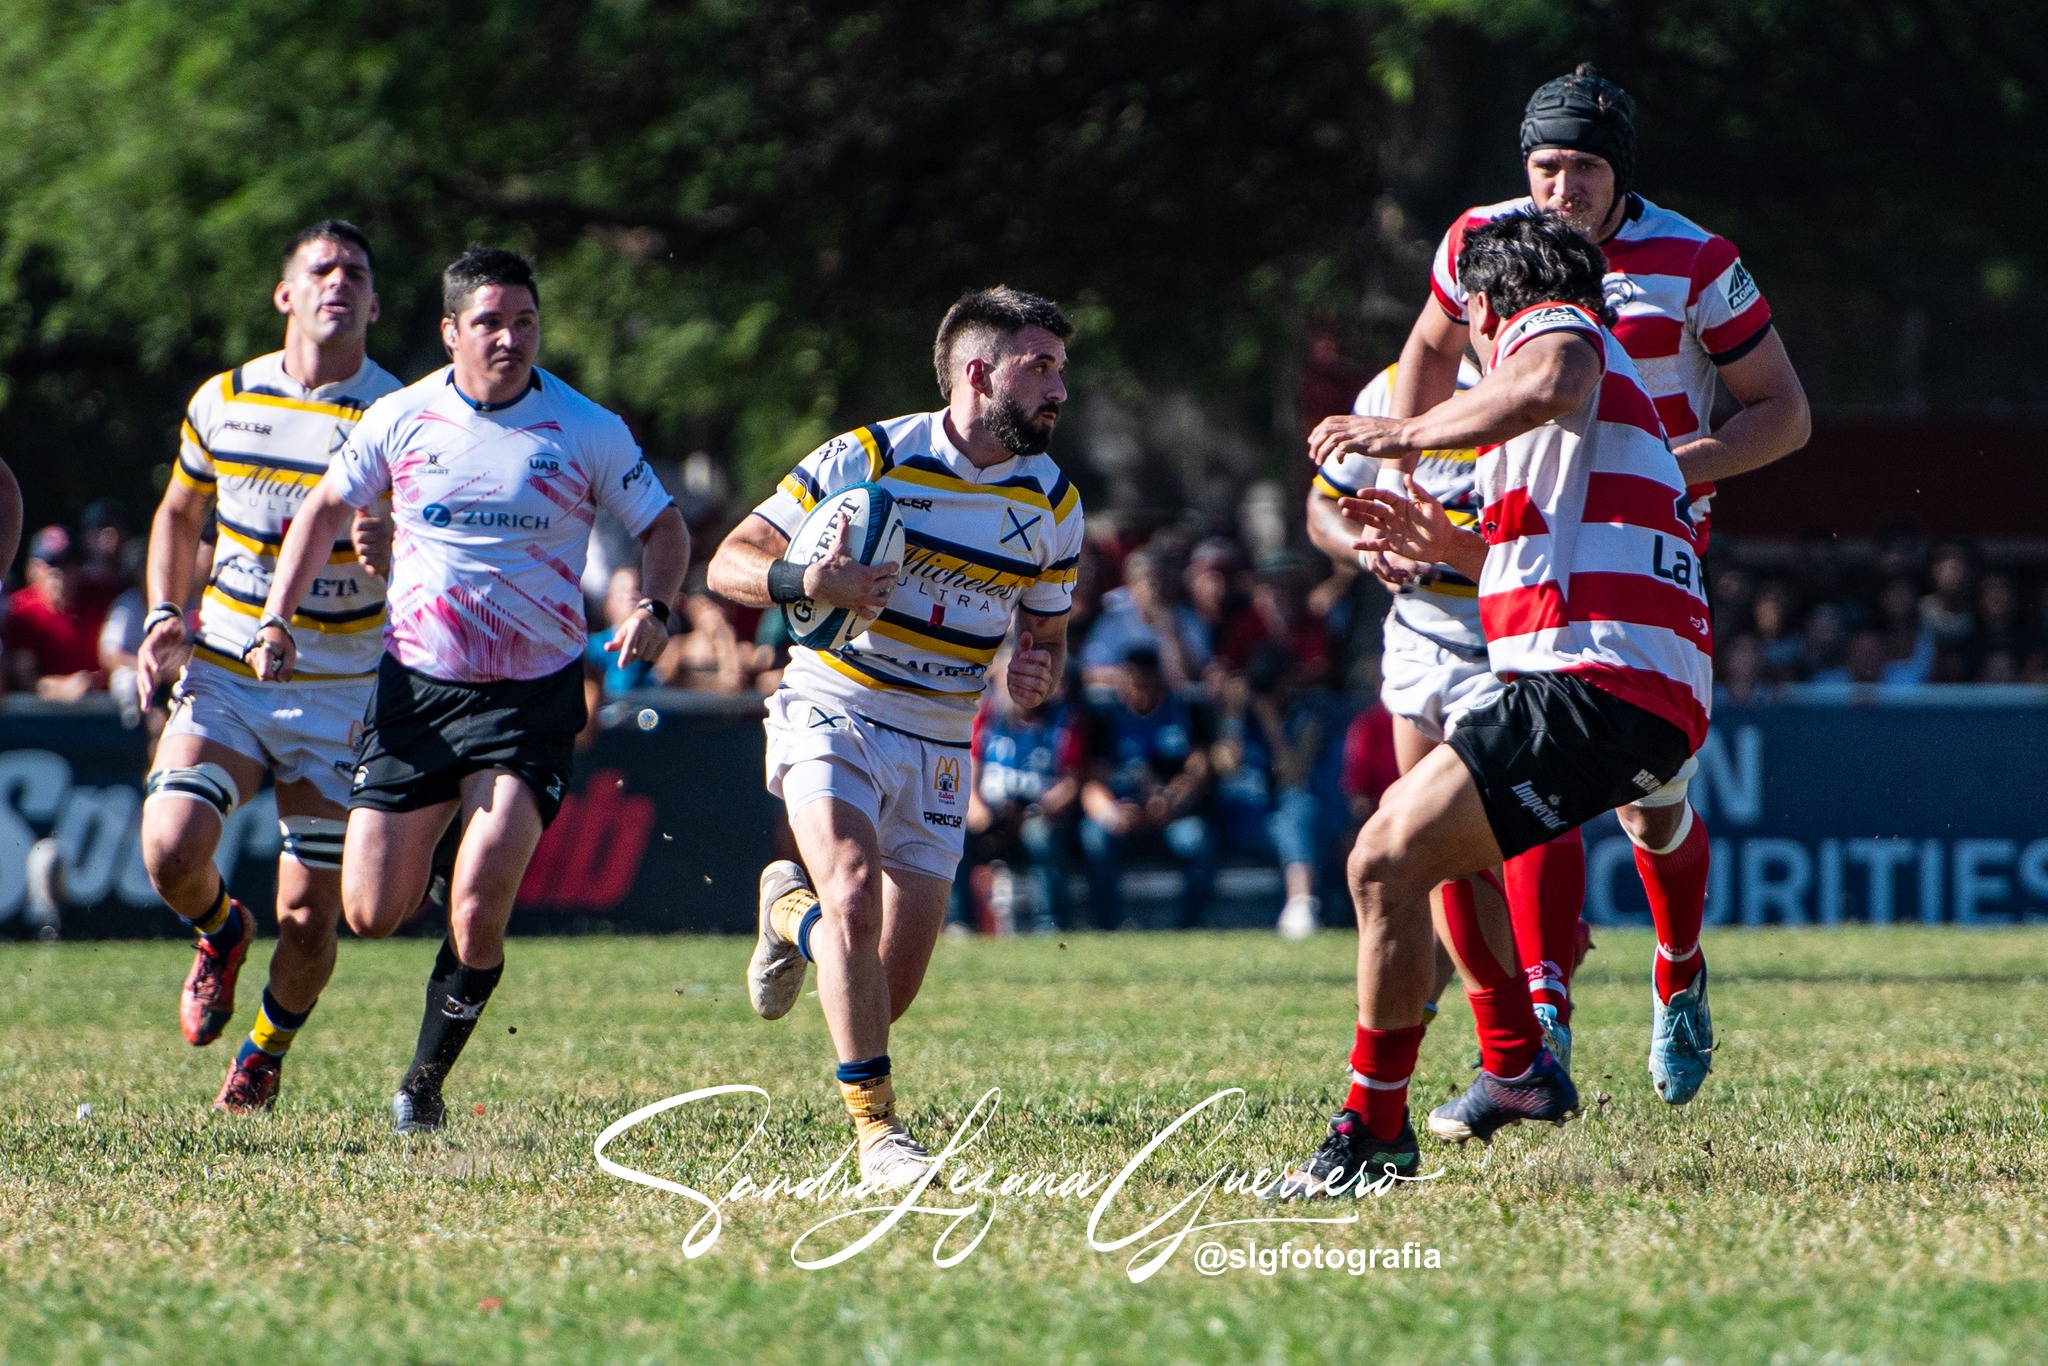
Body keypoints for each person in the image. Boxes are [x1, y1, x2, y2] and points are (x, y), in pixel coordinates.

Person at [1370, 64, 1808, 1103]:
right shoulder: (1484, 241)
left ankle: (1676, 965)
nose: (1558, 189)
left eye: (1580, 168)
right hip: (1510, 548)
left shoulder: (1696, 262)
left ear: (1622, 173)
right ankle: (1530, 1025)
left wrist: (1661, 463)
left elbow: (1780, 414)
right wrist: (1399, 483)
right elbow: (1425, 351)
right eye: (1542, 165)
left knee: (1646, 815)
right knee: (1478, 786)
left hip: (1632, 568)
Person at [1273, 212, 1712, 1196]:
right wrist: (1435, 538)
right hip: (1625, 692)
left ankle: (1374, 1130)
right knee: (1408, 854)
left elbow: (1548, 373)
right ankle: (1499, 1068)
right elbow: (1519, 558)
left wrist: (1403, 431)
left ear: (1480, 307)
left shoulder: (1555, 334)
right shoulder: (1555, 433)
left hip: (1598, 684)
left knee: (1383, 858)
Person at [253, 246, 688, 1132]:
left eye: (525, 321)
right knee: (372, 912)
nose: (510, 338)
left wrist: (658, 605)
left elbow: (665, 525)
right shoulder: (400, 417)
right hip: (417, 694)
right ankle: (449, 851)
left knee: (481, 900)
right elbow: (324, 511)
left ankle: (422, 1084)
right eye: (490, 322)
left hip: (530, 700)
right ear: (451, 331)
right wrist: (276, 617)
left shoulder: (584, 426)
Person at [707, 286, 1082, 1190]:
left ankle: (783, 914)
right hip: (836, 701)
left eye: (1063, 370)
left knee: (887, 980)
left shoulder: (1054, 501)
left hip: (946, 735)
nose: (1059, 389)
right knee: (852, 888)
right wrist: (811, 578)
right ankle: (879, 1135)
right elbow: (730, 561)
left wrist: (1036, 674)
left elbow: (1047, 639)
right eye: (1042, 368)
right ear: (979, 373)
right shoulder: (868, 456)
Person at [129, 221, 402, 1112]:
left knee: (312, 918)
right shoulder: (224, 400)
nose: (338, 282)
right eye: (320, 269)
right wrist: (166, 613)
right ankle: (220, 930)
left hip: (342, 688)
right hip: (231, 669)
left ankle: (263, 1055)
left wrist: (392, 542)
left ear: (374, 302)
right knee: (170, 850)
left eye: (355, 272)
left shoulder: (402, 412)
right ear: (285, 294)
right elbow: (178, 515)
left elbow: (441, 546)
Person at [1078, 645, 1215, 930]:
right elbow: (1092, 783)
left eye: (1148, 685)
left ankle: (1189, 927)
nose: (1141, 694)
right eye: (1134, 686)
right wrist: (1112, 814)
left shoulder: (1183, 711)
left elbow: (1200, 770)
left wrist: (1171, 802)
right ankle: (1108, 926)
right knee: (1093, 837)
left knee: (1198, 839)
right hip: (1123, 815)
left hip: (1171, 815)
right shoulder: (1106, 718)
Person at [954, 667, 1084, 933]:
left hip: (1037, 811)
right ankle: (960, 923)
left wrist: (1043, 807)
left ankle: (1050, 924)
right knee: (955, 831)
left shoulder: (1066, 720)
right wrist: (977, 807)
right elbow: (970, 767)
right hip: (991, 810)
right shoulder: (986, 716)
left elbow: (1071, 782)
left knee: (1041, 836)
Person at [1212, 643, 1327, 938]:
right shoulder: (1236, 718)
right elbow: (1228, 765)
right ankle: (1301, 902)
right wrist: (1234, 714)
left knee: (1298, 807)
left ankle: (1300, 903)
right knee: (1290, 820)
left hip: (1283, 818)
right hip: (1244, 816)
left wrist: (1271, 723)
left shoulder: (1306, 721)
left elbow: (1291, 775)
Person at [5, 527, 106, 699]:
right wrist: (64, 688)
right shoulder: (21, 611)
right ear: (34, 569)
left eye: (66, 563)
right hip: (44, 719)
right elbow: (26, 679)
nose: (58, 573)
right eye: (50, 564)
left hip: (102, 713)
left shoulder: (99, 598)